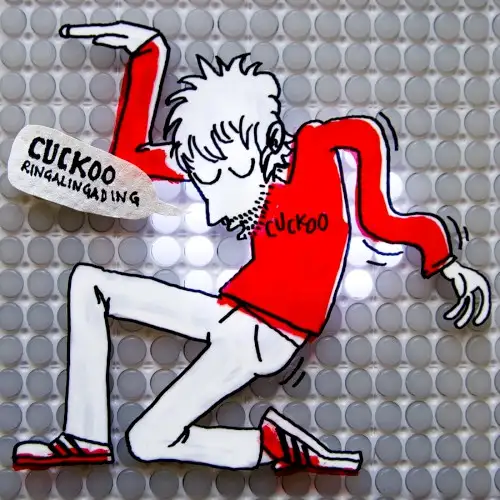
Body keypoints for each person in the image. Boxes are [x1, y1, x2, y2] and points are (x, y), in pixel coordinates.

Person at [12, 21, 491, 473]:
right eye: (202, 176)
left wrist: (445, 263)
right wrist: (148, 54)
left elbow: (383, 218)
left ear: (263, 142)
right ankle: (87, 437)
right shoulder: (210, 152)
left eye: (223, 172)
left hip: (266, 335)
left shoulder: (321, 149)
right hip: (233, 312)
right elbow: (130, 162)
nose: (210, 196)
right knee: (91, 290)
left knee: (147, 440)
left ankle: (271, 448)